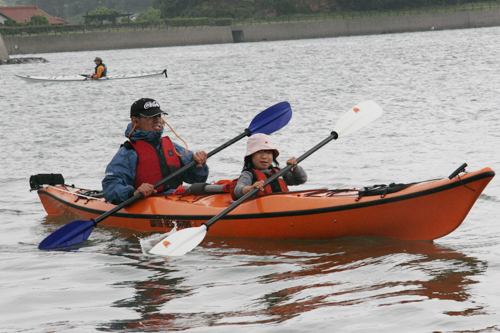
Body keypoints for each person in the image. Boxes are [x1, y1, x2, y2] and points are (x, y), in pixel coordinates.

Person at [102, 98, 209, 204]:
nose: (157, 119)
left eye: (158, 115)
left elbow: (197, 179)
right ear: (135, 121)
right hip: (146, 204)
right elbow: (111, 186)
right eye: (150, 117)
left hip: (176, 201)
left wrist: (199, 164)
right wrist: (134, 192)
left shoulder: (173, 147)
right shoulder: (129, 151)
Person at [230, 133, 307, 200]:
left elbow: (301, 179)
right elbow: (238, 190)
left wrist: (294, 167)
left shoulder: (279, 172)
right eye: (259, 152)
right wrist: (251, 188)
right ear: (251, 156)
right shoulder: (248, 174)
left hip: (283, 204)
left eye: (268, 152)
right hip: (260, 209)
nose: (264, 157)